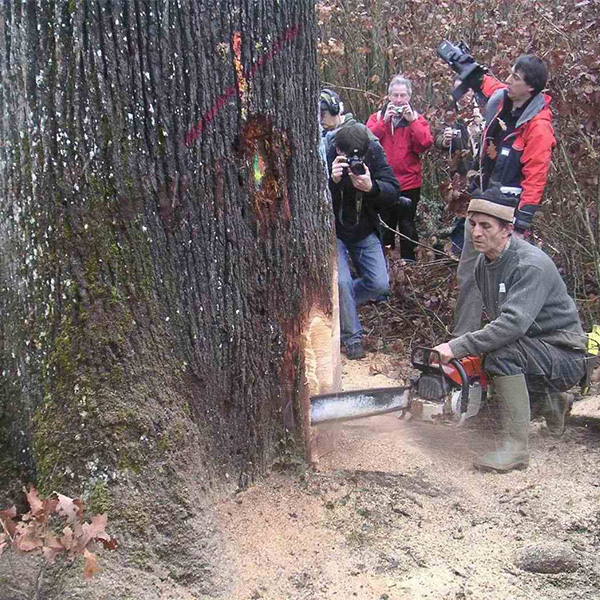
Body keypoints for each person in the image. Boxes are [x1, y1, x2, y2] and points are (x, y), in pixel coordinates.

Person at [433, 188, 586, 473]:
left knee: (501, 352)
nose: (476, 232)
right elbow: (498, 321)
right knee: (487, 419)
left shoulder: (530, 265)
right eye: (472, 224)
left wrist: (458, 346)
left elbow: (511, 326)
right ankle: (552, 402)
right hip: (534, 350)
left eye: (486, 226)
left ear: (507, 230)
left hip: (565, 354)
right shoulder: (484, 262)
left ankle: (517, 449)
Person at [452, 54, 556, 336]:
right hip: (480, 204)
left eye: (515, 78)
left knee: (507, 283)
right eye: (509, 75)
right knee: (470, 277)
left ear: (531, 87)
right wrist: (467, 70)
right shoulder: (501, 100)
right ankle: (460, 348)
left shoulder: (538, 127)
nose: (508, 81)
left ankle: (510, 342)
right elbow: (488, 84)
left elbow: (536, 178)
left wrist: (520, 225)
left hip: (505, 217)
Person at [327, 123, 400, 359]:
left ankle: (336, 307)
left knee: (379, 284)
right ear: (337, 149)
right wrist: (332, 182)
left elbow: (394, 191)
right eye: (344, 155)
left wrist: (372, 187)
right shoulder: (324, 152)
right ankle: (352, 338)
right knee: (342, 283)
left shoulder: (374, 153)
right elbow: (306, 195)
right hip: (332, 231)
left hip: (363, 228)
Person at [366, 75, 433, 261]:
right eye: (395, 95)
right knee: (384, 225)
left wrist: (412, 121)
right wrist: (384, 123)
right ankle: (384, 262)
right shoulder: (377, 117)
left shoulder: (417, 119)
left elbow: (425, 143)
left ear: (409, 97)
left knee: (407, 225)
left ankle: (409, 264)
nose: (398, 100)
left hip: (409, 182)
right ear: (388, 96)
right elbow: (366, 142)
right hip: (384, 183)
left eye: (403, 95)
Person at [434, 82, 485, 254]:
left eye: (469, 89)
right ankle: (457, 254)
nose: (466, 94)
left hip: (485, 173)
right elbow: (438, 137)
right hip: (462, 175)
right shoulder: (451, 116)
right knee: (461, 214)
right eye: (461, 90)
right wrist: (445, 141)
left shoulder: (484, 108)